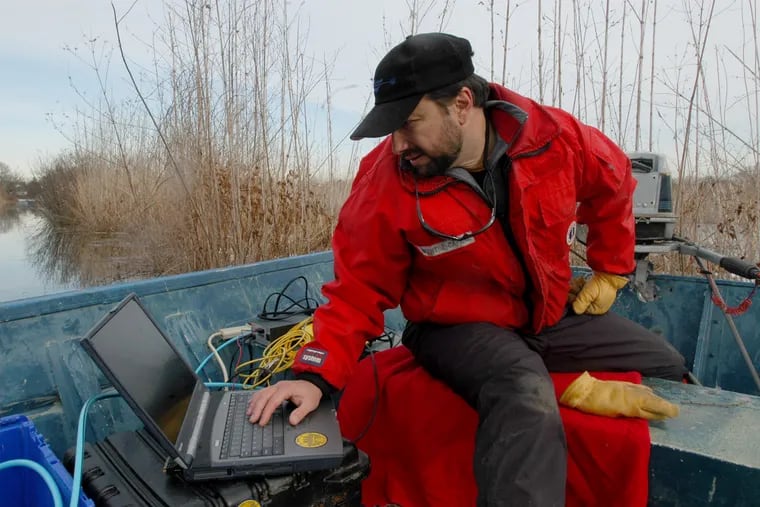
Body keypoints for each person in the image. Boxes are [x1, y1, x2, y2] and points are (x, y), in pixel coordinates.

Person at [247, 32, 686, 506]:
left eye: (410, 123)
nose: (398, 145)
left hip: (544, 312)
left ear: (461, 103)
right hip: (452, 327)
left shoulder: (552, 139)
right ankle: (549, 389)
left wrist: (611, 267)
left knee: (666, 363)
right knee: (523, 395)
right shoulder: (385, 183)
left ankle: (554, 378)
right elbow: (357, 288)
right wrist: (314, 376)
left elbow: (614, 177)